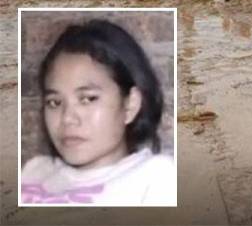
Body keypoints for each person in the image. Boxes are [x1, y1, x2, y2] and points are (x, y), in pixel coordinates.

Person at [20, 20, 175, 206]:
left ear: (130, 105)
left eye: (88, 99)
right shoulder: (34, 170)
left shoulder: (155, 177)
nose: (68, 118)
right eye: (54, 102)